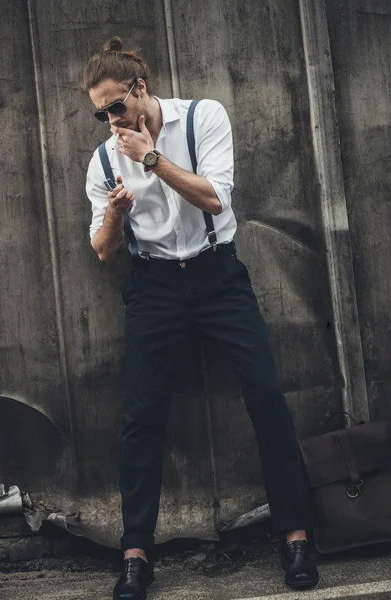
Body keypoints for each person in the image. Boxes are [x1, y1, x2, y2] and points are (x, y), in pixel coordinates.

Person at [83, 36, 319, 600]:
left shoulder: (202, 117)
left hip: (218, 277)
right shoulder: (100, 158)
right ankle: (136, 553)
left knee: (265, 396)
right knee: (142, 418)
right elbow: (101, 250)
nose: (109, 120)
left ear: (140, 89)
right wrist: (115, 216)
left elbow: (216, 199)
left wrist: (150, 159)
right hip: (155, 287)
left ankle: (296, 535)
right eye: (100, 112)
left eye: (115, 105)